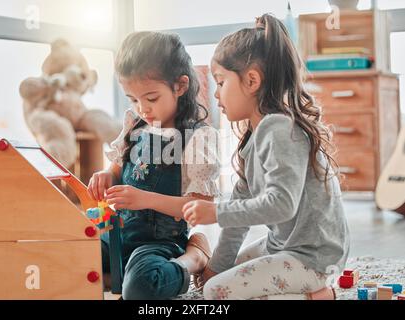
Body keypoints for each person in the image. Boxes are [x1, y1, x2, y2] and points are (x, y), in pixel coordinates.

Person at [182, 14, 350, 300]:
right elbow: (238, 217)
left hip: (314, 258)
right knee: (219, 277)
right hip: (284, 246)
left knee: (216, 293)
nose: (217, 95)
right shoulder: (255, 138)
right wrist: (216, 266)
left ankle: (319, 295)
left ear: (251, 81)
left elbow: (281, 205)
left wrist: (216, 212)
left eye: (221, 82)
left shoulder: (279, 129)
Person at [87, 31, 220, 300]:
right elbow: (117, 168)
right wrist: (105, 175)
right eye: (133, 99)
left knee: (141, 288)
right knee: (71, 257)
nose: (142, 109)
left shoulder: (198, 137)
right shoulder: (134, 122)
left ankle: (194, 258)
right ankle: (122, 270)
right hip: (119, 233)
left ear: (180, 86)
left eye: (151, 98)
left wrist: (145, 199)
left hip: (159, 242)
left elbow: (199, 207)